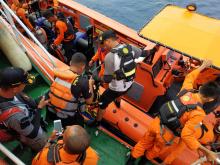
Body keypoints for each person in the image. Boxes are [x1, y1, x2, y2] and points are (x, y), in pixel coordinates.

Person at [127, 59, 220, 164]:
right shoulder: (199, 113)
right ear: (211, 99)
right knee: (155, 149)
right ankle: (143, 162)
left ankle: (131, 160)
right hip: (165, 134)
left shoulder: (186, 90)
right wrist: (206, 151)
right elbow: (186, 134)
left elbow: (190, 77)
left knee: (143, 142)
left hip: (157, 122)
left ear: (201, 87)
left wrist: (203, 66)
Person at [88, 30, 159, 126]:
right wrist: (154, 50)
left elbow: (107, 79)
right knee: (121, 93)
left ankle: (97, 122)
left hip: (115, 88)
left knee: (102, 103)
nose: (103, 46)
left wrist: (96, 78)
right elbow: (144, 53)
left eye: (103, 44)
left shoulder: (109, 57)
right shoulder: (130, 47)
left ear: (108, 41)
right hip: (129, 84)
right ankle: (118, 103)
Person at [0, 67, 49, 151]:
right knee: (42, 143)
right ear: (15, 89)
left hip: (23, 120)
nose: (26, 85)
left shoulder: (8, 90)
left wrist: (38, 101)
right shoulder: (14, 116)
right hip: (27, 132)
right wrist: (40, 108)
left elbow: (28, 102)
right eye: (24, 83)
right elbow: (33, 134)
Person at [47, 52, 94, 128]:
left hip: (51, 112)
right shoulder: (82, 81)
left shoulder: (59, 73)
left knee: (58, 127)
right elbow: (89, 101)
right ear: (83, 67)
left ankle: (58, 133)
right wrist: (90, 84)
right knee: (79, 125)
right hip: (66, 118)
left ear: (70, 62)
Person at [32, 125, 99, 165]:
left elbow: (35, 162)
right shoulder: (93, 156)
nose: (67, 127)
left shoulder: (46, 157)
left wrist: (50, 139)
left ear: (63, 143)